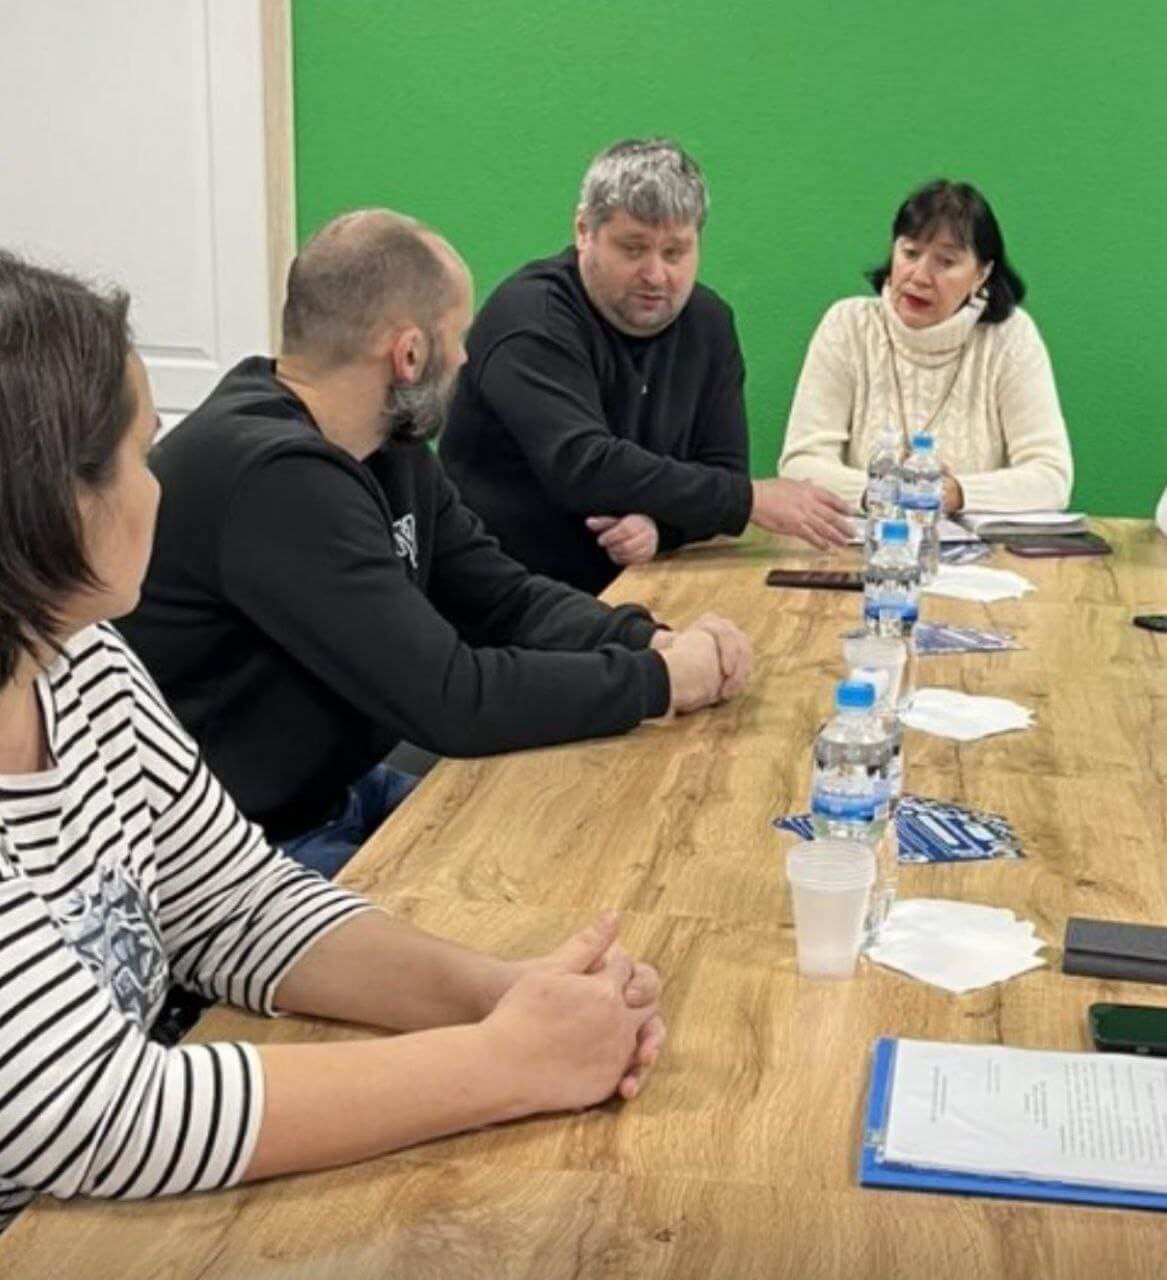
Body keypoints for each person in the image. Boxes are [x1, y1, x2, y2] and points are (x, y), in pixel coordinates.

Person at [0, 251, 665, 1233]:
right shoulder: (252, 490)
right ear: (46, 498)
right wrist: (504, 1062)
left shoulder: (84, 661)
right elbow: (100, 1113)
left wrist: (500, 992)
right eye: (139, 455)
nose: (159, 488)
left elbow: (235, 902)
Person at [119, 210, 749, 877]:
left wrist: (648, 638)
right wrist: (660, 682)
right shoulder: (275, 478)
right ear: (411, 353)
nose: (466, 359)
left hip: (337, 791)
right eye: (459, 336)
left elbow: (503, 599)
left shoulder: (386, 445)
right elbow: (451, 700)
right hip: (244, 849)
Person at [439, 138, 851, 594]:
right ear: (584, 230)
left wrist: (663, 529)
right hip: (506, 596)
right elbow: (583, 465)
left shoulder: (709, 322)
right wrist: (750, 500)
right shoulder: (531, 319)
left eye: (675, 253)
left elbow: (721, 468)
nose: (656, 276)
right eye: (633, 249)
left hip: (642, 588)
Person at [778, 179, 1073, 514]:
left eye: (945, 262)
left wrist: (954, 493)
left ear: (982, 274)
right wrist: (883, 492)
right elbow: (800, 465)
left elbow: (1051, 478)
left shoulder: (1009, 337)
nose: (919, 276)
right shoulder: (848, 325)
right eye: (910, 253)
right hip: (863, 540)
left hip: (976, 546)